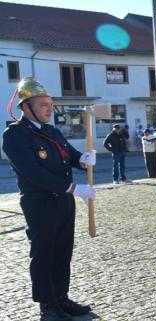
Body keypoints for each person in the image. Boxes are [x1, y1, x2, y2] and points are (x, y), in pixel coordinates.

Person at [3, 77, 97, 321]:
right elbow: (33, 173)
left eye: (50, 103)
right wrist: (74, 188)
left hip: (64, 201)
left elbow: (70, 154)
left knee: (63, 251)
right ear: (26, 107)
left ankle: (62, 298)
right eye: (42, 104)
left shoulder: (51, 131)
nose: (48, 108)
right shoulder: (14, 135)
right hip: (40, 204)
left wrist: (83, 159)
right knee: (44, 252)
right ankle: (47, 305)